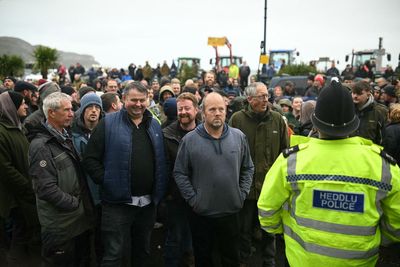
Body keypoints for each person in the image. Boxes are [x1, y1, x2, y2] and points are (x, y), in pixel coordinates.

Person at [258, 79, 400, 266]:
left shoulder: (291, 161)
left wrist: (287, 231)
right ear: (353, 122)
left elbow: (267, 213)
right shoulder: (382, 165)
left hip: (302, 260)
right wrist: (380, 238)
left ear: (315, 123)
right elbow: (396, 223)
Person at [82, 81, 167, 266]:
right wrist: (107, 181)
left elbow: (161, 160)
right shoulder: (108, 124)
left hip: (147, 204)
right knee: (113, 254)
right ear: (123, 99)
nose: (138, 104)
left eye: (142, 100)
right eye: (133, 100)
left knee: (142, 251)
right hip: (117, 204)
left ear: (148, 99)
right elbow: (90, 159)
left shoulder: (154, 125)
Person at [174, 92, 254, 266]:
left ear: (226, 111)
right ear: (203, 112)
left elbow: (248, 167)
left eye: (221, 109)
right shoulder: (190, 140)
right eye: (212, 109)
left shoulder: (238, 137)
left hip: (231, 212)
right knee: (204, 259)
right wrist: (194, 200)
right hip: (202, 214)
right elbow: (179, 173)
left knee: (231, 259)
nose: (217, 113)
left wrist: (241, 194)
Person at [29, 92, 94, 266]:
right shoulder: (41, 146)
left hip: (77, 221)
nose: (72, 113)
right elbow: (45, 188)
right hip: (61, 226)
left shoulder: (65, 137)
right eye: (66, 110)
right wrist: (73, 203)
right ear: (51, 113)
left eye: (72, 109)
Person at [229, 82, 289, 267]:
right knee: (243, 230)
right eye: (261, 97)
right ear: (250, 99)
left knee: (268, 231)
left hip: (269, 189)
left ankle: (268, 263)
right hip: (245, 189)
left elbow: (284, 153)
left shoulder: (277, 119)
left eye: (267, 96)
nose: (266, 100)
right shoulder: (237, 120)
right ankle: (243, 261)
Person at [0, 91, 41, 266]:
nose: (26, 106)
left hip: (24, 196)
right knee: (18, 240)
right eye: (22, 103)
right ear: (11, 106)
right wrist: (28, 187)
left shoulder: (17, 127)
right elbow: (5, 169)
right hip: (14, 200)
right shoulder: (2, 132)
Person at [162, 92, 200, 267]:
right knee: (174, 239)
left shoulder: (205, 133)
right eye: (180, 109)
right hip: (175, 198)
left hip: (200, 197)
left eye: (187, 108)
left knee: (196, 238)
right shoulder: (166, 135)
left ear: (197, 110)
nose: (183, 112)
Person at [351, 80, 387, 145]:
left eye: (359, 93)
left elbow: (384, 137)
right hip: (351, 150)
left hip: (371, 151)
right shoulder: (347, 109)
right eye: (353, 93)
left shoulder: (380, 111)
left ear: (368, 94)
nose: (355, 96)